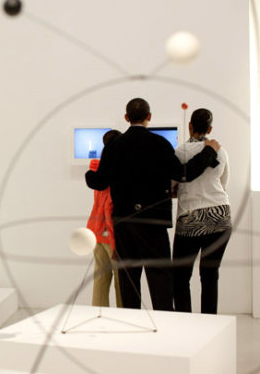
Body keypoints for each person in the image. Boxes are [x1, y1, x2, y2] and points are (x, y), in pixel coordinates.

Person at [85, 97, 220, 311]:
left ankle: (132, 328)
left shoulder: (114, 146)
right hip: (153, 223)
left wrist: (88, 174)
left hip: (124, 223)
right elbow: (184, 174)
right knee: (160, 280)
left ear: (127, 118)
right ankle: (165, 328)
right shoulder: (160, 144)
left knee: (129, 280)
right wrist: (209, 152)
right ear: (149, 117)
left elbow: (99, 181)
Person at [173, 108, 231, 314]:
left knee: (180, 278)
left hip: (190, 217)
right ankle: (210, 323)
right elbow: (224, 184)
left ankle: (185, 324)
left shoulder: (179, 152)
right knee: (210, 275)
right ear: (210, 128)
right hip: (220, 215)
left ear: (190, 126)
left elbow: (173, 185)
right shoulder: (221, 151)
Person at [88, 129, 122, 308]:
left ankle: (97, 315)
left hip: (95, 232)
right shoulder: (114, 174)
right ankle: (124, 317)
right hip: (110, 235)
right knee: (120, 283)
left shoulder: (97, 171)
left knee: (100, 279)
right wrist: (115, 244)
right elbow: (109, 209)